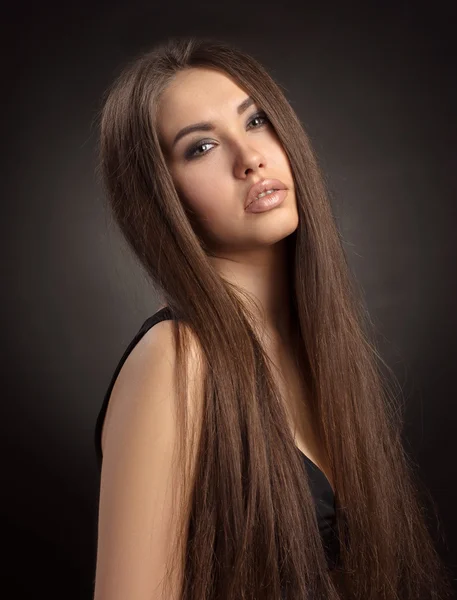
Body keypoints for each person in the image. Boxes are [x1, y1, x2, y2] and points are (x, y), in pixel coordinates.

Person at [92, 36, 453, 600]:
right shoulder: (176, 361)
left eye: (256, 120)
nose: (250, 157)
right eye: (202, 147)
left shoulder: (322, 352)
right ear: (162, 197)